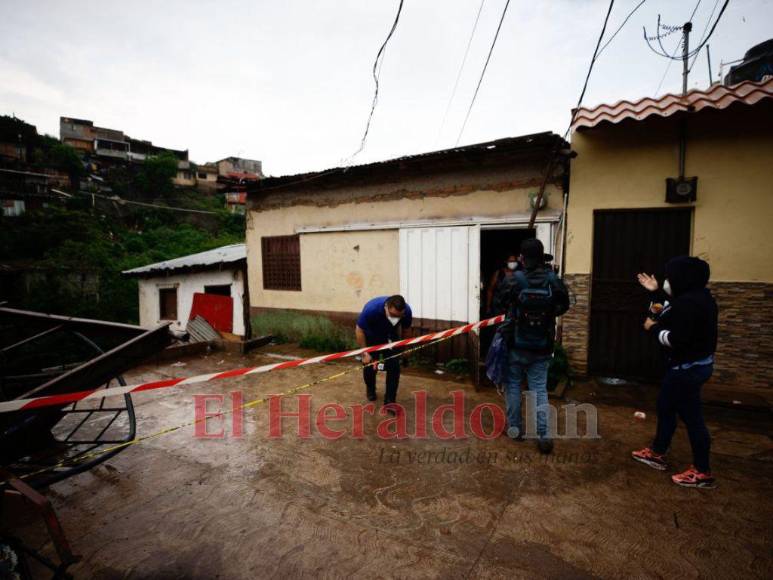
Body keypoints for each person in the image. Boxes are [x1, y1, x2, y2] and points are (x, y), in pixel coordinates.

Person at [632, 257, 718, 488]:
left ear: (683, 277)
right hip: (694, 366)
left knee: (692, 418)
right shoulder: (699, 298)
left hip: (686, 370)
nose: (668, 281)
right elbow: (668, 309)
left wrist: (654, 329)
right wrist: (656, 292)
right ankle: (658, 452)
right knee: (666, 407)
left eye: (670, 277)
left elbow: (675, 339)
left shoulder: (689, 304)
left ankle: (701, 472)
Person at [500, 238, 570, 454]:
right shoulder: (553, 280)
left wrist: (517, 310)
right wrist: (547, 314)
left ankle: (514, 429)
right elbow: (564, 305)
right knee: (539, 389)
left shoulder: (514, 279)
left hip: (517, 345)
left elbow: (500, 302)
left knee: (512, 384)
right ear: (542, 257)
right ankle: (544, 436)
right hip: (542, 345)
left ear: (522, 258)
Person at [355, 295, 413, 413]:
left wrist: (406, 348)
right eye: (393, 315)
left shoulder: (406, 311)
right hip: (371, 337)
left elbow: (406, 330)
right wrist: (364, 352)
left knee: (394, 367)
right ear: (386, 308)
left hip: (390, 338)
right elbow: (359, 330)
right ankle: (370, 389)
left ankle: (390, 401)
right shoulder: (372, 310)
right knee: (370, 366)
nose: (396, 318)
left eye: (399, 316)